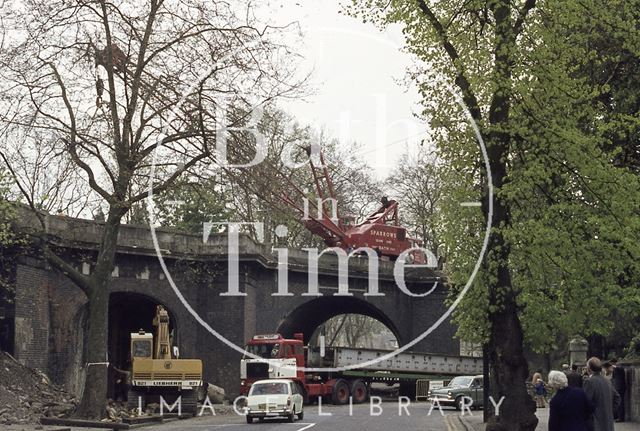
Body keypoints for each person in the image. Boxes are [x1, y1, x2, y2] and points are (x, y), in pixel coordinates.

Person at [583, 357, 620, 431]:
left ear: (589, 369)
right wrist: (610, 411)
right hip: (608, 423)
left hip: (595, 424)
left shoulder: (589, 382)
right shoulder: (607, 381)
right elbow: (617, 397)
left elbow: (585, 404)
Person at [610, 358, 626, 422]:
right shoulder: (615, 369)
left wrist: (613, 366)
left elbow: (619, 369)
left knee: (620, 403)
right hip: (617, 388)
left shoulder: (619, 368)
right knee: (617, 402)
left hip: (620, 388)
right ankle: (617, 416)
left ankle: (621, 418)